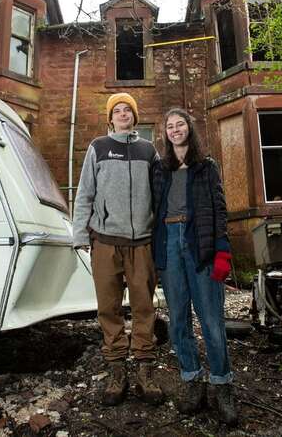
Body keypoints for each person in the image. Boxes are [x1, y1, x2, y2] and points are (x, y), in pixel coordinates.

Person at [72, 92, 164, 406]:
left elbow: (159, 197)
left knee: (144, 307)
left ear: (134, 117)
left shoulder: (148, 150)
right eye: (118, 110)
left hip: (141, 244)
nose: (123, 114)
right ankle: (116, 372)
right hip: (105, 242)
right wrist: (79, 235)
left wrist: (158, 234)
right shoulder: (98, 147)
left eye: (128, 110)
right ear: (110, 118)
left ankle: (144, 372)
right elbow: (85, 194)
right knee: (108, 309)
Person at [151, 107, 237, 425]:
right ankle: (192, 381)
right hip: (169, 243)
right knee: (178, 323)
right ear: (166, 133)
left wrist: (222, 254)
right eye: (170, 126)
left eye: (180, 124)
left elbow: (219, 210)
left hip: (199, 243)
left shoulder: (206, 167)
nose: (175, 130)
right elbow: (152, 212)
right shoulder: (160, 169)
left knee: (212, 321)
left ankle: (222, 384)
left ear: (189, 128)